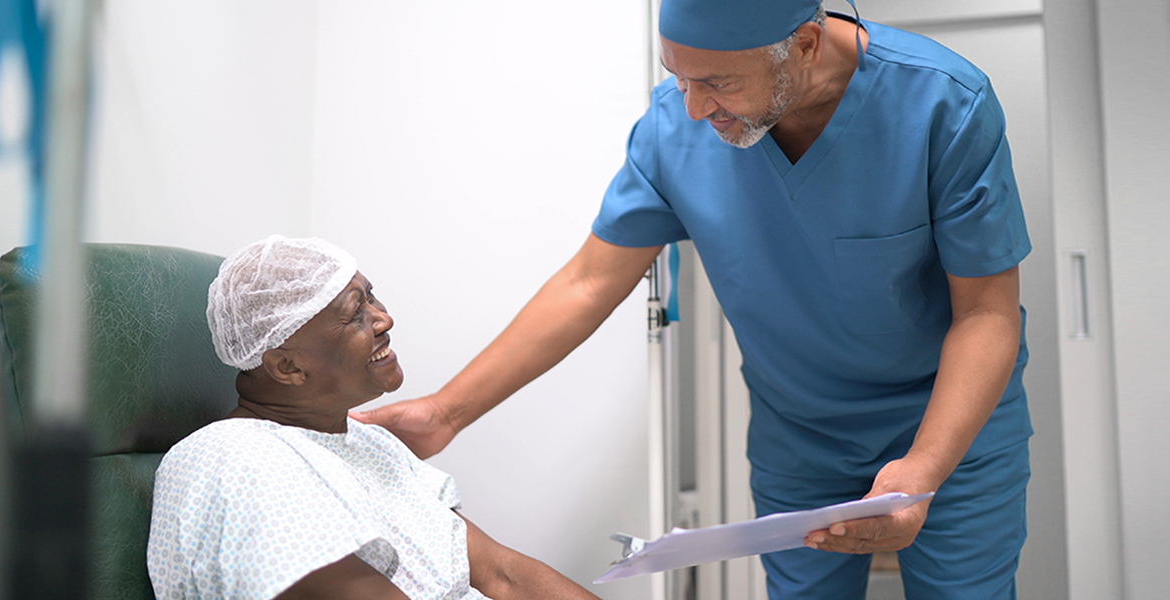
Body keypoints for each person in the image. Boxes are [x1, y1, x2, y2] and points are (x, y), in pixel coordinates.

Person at [353, 0, 1032, 598]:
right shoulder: (673, 130)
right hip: (800, 435)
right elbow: (588, 282)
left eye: (718, 83)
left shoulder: (942, 103)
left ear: (803, 45)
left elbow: (987, 314)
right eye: (678, 77)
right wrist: (447, 412)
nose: (694, 108)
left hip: (947, 424)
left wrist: (924, 467)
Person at [146, 235, 599, 600]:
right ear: (287, 366)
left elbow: (503, 575)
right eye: (354, 314)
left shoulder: (370, 444)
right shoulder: (233, 459)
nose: (384, 319)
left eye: (371, 297)